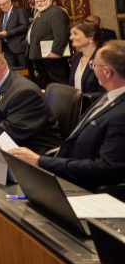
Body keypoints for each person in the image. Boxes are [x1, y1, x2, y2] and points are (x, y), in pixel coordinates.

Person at [9, 40, 125, 190]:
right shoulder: (110, 96)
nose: (93, 68)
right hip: (65, 170)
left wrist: (40, 161)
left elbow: (105, 170)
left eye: (94, 65)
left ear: (107, 72)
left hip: (86, 188)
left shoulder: (121, 114)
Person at [27, 0, 70, 87]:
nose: (39, 3)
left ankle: (63, 101)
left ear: (50, 1)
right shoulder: (40, 13)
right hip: (41, 55)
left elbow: (61, 34)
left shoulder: (56, 12)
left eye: (42, 1)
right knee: (48, 81)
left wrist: (57, 51)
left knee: (59, 82)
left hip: (52, 55)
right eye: (37, 2)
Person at [67, 19, 104, 99]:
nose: (71, 37)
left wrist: (83, 97)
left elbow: (106, 91)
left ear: (91, 36)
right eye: (71, 34)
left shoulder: (103, 58)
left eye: (75, 34)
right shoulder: (76, 58)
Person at [0, 0, 29, 68]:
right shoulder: (2, 14)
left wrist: (8, 33)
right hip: (6, 47)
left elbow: (24, 26)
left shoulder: (19, 11)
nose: (1, 7)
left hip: (19, 47)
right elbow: (1, 28)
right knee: (11, 71)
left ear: (9, 2)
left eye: (3, 4)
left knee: (25, 71)